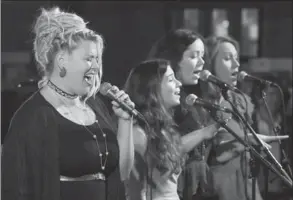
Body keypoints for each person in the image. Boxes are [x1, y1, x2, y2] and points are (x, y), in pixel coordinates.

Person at [1, 7, 135, 200]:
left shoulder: (96, 106)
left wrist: (125, 121)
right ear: (62, 60)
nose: (97, 67)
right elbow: (17, 189)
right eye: (89, 59)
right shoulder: (33, 116)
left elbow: (121, 173)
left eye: (98, 59)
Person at [201, 35, 288, 200]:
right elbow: (211, 152)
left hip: (246, 181)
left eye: (237, 58)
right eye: (228, 59)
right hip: (220, 186)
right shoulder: (203, 104)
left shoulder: (237, 100)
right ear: (210, 64)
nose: (236, 64)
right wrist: (246, 140)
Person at [122, 59, 223, 200]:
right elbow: (134, 191)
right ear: (153, 88)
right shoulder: (138, 133)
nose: (179, 83)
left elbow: (173, 148)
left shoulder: (161, 128)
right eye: (171, 79)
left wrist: (204, 133)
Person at [147, 28, 216, 200]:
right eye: (193, 56)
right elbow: (162, 150)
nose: (201, 63)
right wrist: (202, 133)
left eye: (202, 56)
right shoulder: (162, 101)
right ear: (174, 59)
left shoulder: (190, 96)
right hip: (174, 186)